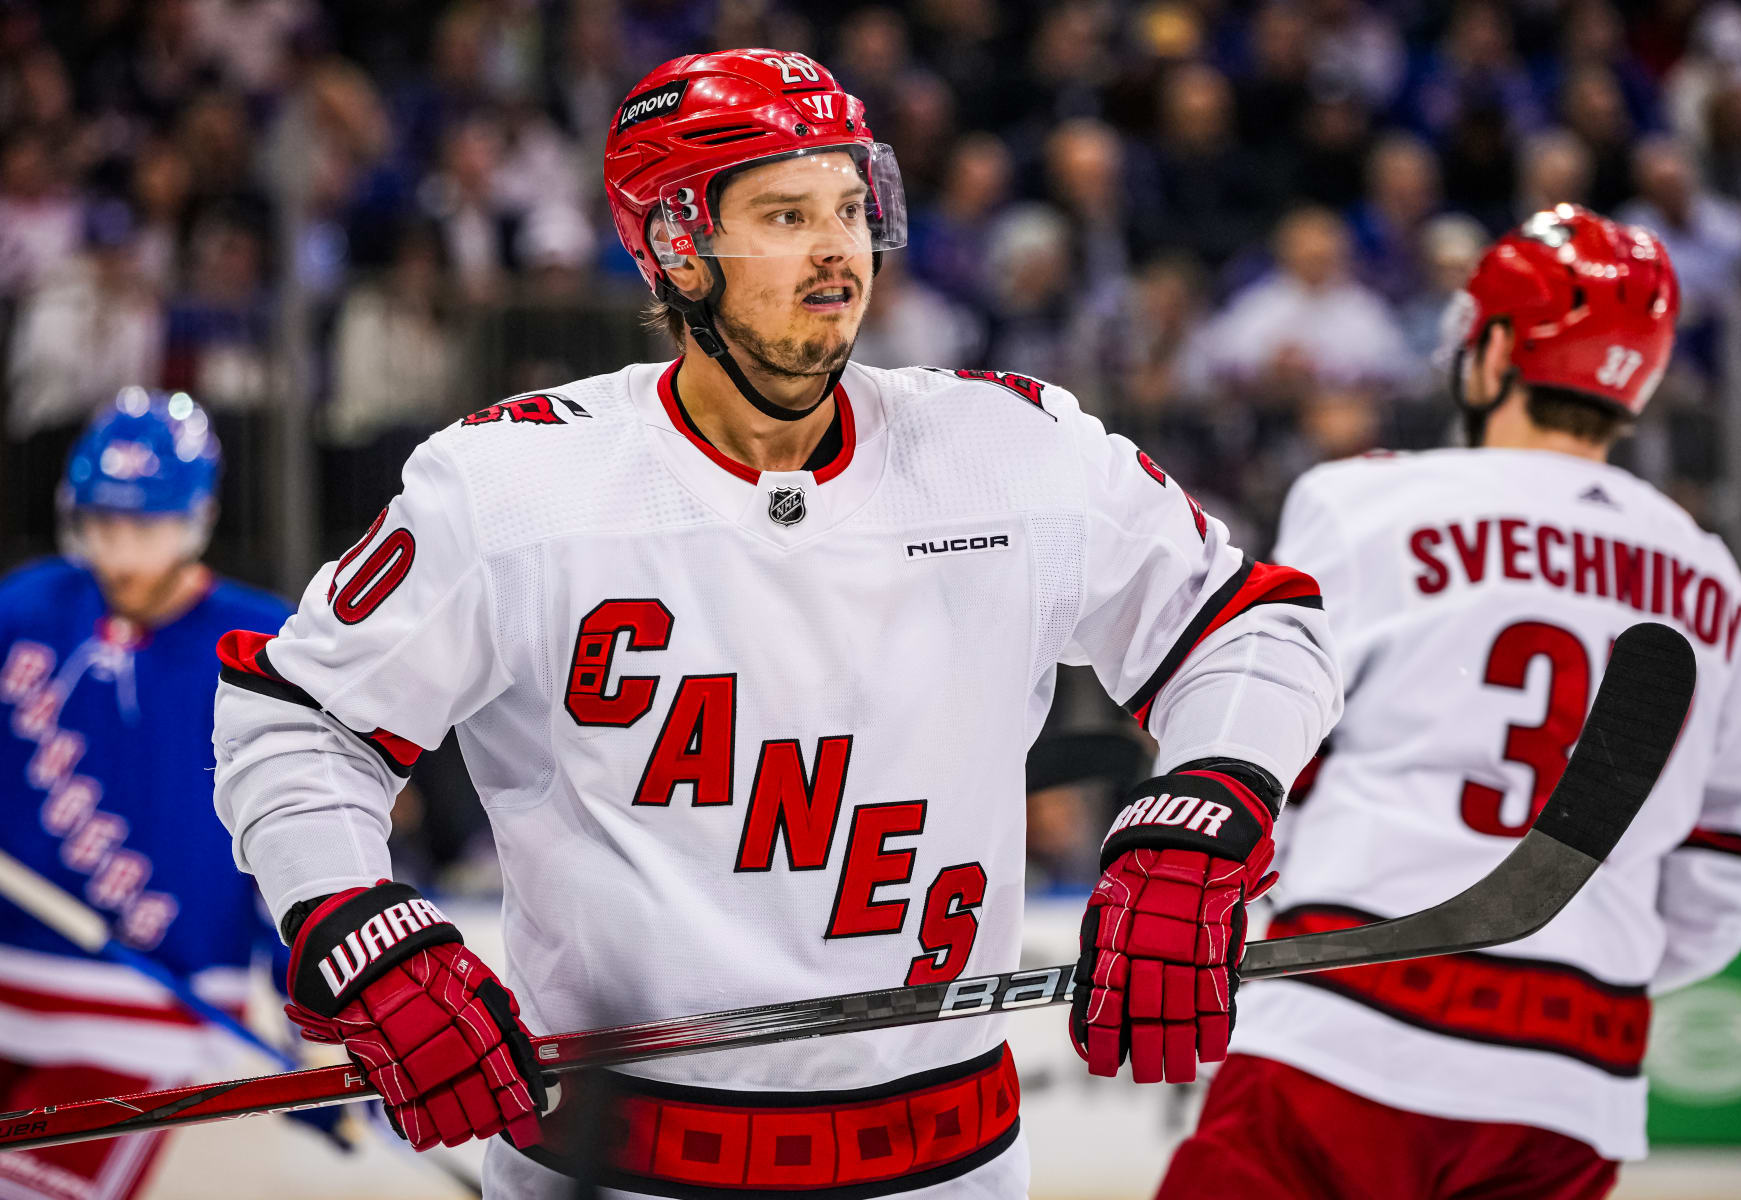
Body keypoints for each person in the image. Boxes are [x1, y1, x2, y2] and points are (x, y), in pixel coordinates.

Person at [210, 49, 1343, 1198]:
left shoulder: (1010, 454)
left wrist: (1202, 817)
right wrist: (361, 930)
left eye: (851, 207)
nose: (839, 250)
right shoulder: (514, 486)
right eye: (787, 213)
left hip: (951, 1166)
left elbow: (1251, 629)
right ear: (673, 245)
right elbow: (299, 726)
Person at [1157, 205, 1741, 1199]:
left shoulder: (1365, 504)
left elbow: (1273, 737)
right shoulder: (1715, 584)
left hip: (1347, 1015)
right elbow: (1730, 859)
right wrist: (1588, 960)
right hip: (1576, 1073)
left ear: (1493, 350)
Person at [0, 389, 294, 1200]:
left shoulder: (264, 644)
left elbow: (302, 833)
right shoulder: (24, 610)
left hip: (151, 1007)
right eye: (104, 525)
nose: (123, 553)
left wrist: (312, 1019)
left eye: (149, 527)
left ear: (196, 520)